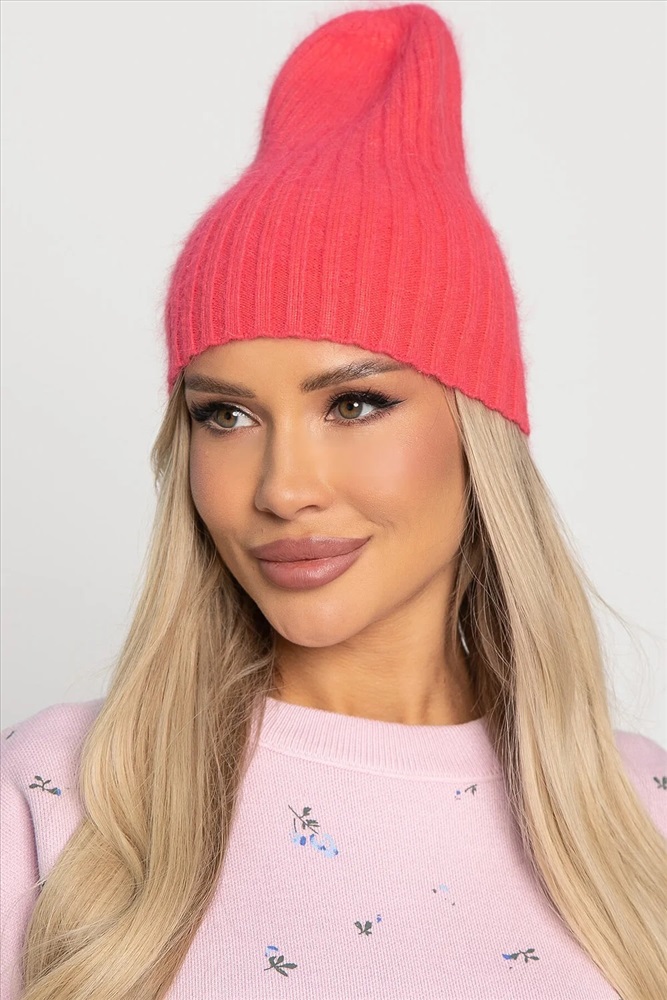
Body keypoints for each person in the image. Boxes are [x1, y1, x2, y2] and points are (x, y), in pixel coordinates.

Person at [1, 4, 665, 999]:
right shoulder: (56, 796)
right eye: (225, 415)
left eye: (354, 404)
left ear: (476, 432)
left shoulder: (641, 819)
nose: (282, 487)